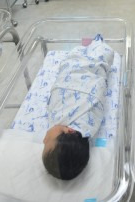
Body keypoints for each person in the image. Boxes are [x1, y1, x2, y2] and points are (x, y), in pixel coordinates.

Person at [42, 35, 114, 180]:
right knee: (101, 54)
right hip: (87, 72)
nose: (43, 141)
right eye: (47, 142)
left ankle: (89, 44)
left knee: (76, 54)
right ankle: (96, 41)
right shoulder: (87, 124)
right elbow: (97, 91)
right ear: (69, 131)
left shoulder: (58, 121)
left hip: (70, 71)